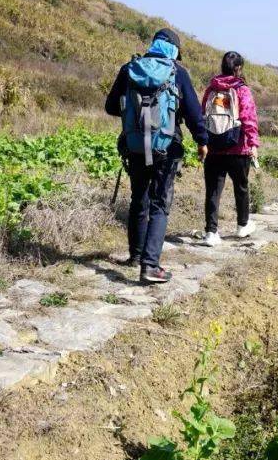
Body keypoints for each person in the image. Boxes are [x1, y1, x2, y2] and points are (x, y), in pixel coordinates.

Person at [105, 28, 208, 284]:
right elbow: (194, 114)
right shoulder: (177, 73)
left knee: (139, 199)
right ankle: (150, 265)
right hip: (166, 147)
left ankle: (136, 256)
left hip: (136, 145)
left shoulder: (130, 68)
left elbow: (110, 106)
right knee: (160, 204)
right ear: (173, 50)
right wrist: (202, 141)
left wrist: (138, 118)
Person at [199, 51, 260, 246]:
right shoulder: (242, 90)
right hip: (237, 147)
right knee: (241, 187)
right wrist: (253, 143)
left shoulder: (211, 88)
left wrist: (203, 142)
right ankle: (242, 226)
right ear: (238, 68)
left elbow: (203, 114)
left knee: (213, 190)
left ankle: (211, 232)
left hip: (214, 146)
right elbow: (249, 117)